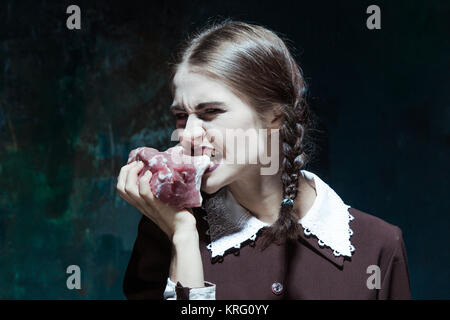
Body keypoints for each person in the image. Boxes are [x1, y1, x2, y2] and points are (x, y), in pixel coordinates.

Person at [116, 19, 411, 299]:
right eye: (181, 116)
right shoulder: (166, 228)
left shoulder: (378, 247)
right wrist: (183, 239)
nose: (188, 134)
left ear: (275, 117)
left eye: (211, 113)